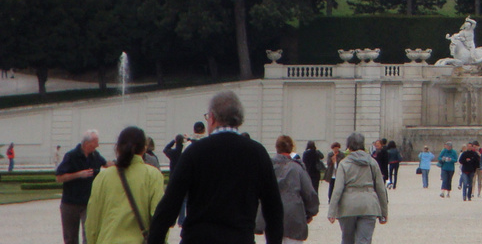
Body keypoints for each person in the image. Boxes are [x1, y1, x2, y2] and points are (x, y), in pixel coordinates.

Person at [147, 90, 285, 244]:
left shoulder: (195, 152)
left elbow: (168, 207)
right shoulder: (257, 153)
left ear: (212, 118)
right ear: (239, 120)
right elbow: (273, 209)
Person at [84, 126, 163, 244]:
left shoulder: (103, 177)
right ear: (143, 149)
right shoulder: (153, 175)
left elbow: (92, 222)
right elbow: (159, 219)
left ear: (118, 148)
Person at [257, 135, 320, 244]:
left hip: (270, 214)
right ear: (291, 148)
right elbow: (309, 193)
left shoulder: (267, 167)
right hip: (293, 215)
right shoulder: (297, 168)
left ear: (277, 147)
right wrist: (311, 211)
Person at [328, 132, 388, 244]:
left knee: (347, 240)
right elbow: (380, 188)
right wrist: (384, 212)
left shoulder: (344, 163)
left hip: (348, 205)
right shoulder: (372, 163)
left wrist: (332, 211)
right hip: (368, 204)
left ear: (349, 146)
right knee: (364, 240)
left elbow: (337, 189)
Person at [57, 128, 108, 244]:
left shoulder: (95, 155)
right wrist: (78, 174)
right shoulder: (71, 156)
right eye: (96, 142)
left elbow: (107, 164)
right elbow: (59, 177)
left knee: (90, 236)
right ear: (87, 143)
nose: (98, 145)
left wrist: (121, 164)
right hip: (70, 203)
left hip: (88, 203)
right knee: (70, 238)